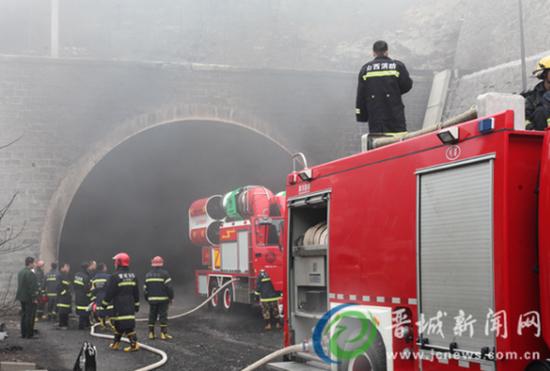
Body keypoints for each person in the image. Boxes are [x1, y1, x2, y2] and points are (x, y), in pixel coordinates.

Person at [356, 40, 413, 135]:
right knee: (398, 142)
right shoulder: (397, 66)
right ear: (387, 52)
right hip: (395, 116)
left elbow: (361, 95)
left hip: (375, 117)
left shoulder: (365, 69)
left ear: (373, 53)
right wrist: (395, 92)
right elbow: (407, 85)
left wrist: (361, 116)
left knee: (379, 143)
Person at [102, 252, 140, 352]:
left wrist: (104, 303)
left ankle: (134, 344)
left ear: (119, 262)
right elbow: (136, 292)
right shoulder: (133, 276)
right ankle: (116, 343)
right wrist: (136, 304)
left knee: (125, 325)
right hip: (130, 304)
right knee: (120, 324)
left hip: (119, 304)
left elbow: (110, 292)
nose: (114, 263)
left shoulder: (115, 276)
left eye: (115, 261)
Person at [144, 256, 174, 340]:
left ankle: (151, 333)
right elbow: (169, 288)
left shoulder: (148, 275)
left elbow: (145, 289)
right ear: (161, 264)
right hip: (163, 300)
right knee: (163, 315)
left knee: (152, 315)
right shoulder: (165, 274)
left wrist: (147, 298)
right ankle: (163, 334)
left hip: (152, 300)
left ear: (152, 264)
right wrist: (171, 297)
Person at [524, 56, 550, 130]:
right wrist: (531, 128)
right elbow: (524, 118)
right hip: (542, 138)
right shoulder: (533, 98)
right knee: (540, 111)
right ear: (544, 74)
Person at [15, 257, 39, 339]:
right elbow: (32, 287)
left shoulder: (20, 272)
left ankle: (23, 333)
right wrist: (34, 298)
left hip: (21, 297)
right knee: (30, 316)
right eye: (34, 263)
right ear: (30, 263)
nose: (34, 264)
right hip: (29, 298)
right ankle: (29, 334)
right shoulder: (30, 274)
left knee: (24, 315)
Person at [91, 262, 113, 327]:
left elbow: (93, 289)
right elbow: (111, 287)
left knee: (101, 310)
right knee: (110, 310)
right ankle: (112, 324)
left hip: (99, 296)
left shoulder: (94, 278)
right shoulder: (108, 276)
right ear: (103, 268)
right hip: (107, 295)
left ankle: (102, 324)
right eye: (105, 267)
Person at [73, 261, 93, 330]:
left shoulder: (76, 275)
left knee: (81, 310)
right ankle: (81, 326)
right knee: (84, 311)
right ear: (87, 268)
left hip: (78, 295)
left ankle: (87, 324)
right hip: (84, 296)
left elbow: (74, 285)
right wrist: (91, 294)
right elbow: (87, 288)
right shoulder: (86, 277)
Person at [56, 262, 72, 330]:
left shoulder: (66, 276)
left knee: (66, 311)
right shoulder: (60, 275)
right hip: (63, 297)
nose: (68, 268)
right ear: (62, 268)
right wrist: (64, 292)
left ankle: (65, 324)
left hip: (66, 297)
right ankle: (62, 324)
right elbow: (58, 286)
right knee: (62, 311)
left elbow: (68, 286)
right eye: (67, 267)